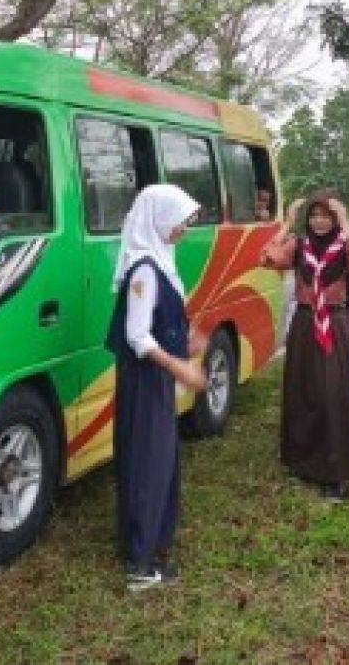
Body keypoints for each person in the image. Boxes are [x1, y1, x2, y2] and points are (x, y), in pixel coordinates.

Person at [106, 184, 209, 591]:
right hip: (145, 377)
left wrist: (186, 336)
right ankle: (140, 562)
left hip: (155, 376)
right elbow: (138, 336)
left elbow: (162, 321)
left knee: (157, 457)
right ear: (159, 218)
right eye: (180, 220)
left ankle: (146, 543)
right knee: (148, 460)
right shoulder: (144, 269)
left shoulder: (160, 261)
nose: (184, 228)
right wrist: (180, 368)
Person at [261, 191, 349, 501]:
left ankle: (335, 474)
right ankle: (305, 461)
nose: (320, 221)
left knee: (332, 394)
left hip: (334, 324)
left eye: (326, 216)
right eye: (314, 215)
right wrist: (288, 222)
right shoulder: (299, 246)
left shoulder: (343, 248)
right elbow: (266, 257)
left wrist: (347, 223)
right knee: (303, 391)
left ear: (335, 219)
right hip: (304, 324)